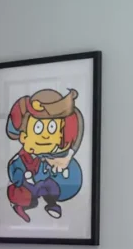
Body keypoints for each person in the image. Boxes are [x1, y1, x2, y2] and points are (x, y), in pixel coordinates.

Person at [5, 87, 84, 223]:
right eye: (38, 128)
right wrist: (20, 177)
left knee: (51, 188)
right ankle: (21, 205)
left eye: (52, 127)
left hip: (46, 183)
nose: (46, 135)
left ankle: (52, 204)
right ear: (24, 136)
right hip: (30, 185)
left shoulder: (58, 157)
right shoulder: (23, 158)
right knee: (30, 198)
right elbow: (15, 169)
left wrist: (67, 157)